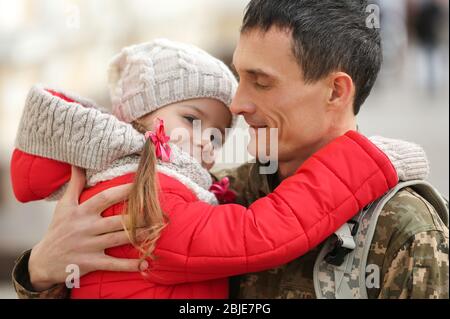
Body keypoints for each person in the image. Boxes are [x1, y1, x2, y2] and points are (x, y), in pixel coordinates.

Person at [12, 0, 447, 299]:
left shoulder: (404, 230)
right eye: (238, 76)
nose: (238, 105)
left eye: (261, 81)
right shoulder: (229, 191)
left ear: (336, 91)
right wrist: (40, 272)